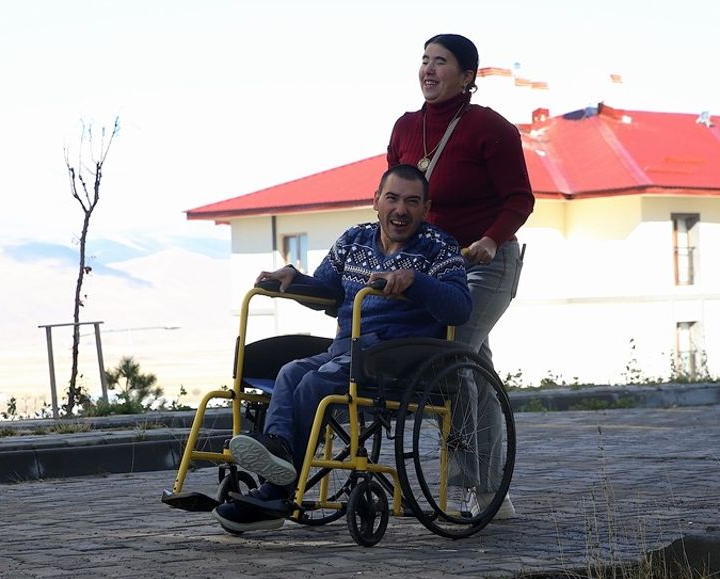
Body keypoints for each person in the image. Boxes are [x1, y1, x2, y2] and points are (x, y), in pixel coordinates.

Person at [213, 164, 472, 533]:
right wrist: (294, 280)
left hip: (399, 356)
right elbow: (328, 294)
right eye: (393, 198)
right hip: (348, 349)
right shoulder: (354, 239)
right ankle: (279, 458)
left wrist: (416, 281)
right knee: (291, 372)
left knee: (317, 383)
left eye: (412, 201)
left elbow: (459, 308)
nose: (401, 209)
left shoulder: (438, 248)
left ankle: (277, 488)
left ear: (425, 208)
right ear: (376, 201)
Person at [386, 33, 534, 519]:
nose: (429, 69)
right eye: (424, 60)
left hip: (484, 261)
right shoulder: (406, 127)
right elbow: (398, 198)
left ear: (468, 76)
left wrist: (491, 239)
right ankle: (494, 492)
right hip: (433, 266)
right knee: (476, 372)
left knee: (452, 359)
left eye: (441, 62)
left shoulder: (491, 128)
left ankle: (474, 483)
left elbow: (520, 198)